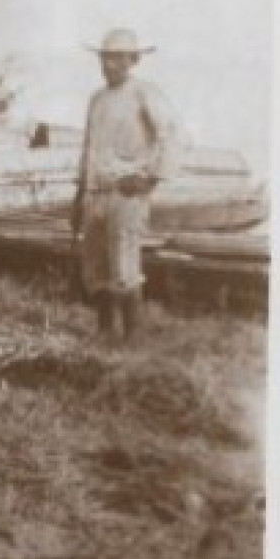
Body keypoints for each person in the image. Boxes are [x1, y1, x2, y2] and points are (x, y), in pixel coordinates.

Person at [72, 28, 179, 341]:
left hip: (127, 193)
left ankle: (133, 338)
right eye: (106, 57)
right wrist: (79, 195)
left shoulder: (144, 93)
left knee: (125, 266)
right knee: (95, 268)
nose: (110, 65)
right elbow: (88, 147)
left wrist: (149, 178)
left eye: (118, 58)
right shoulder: (97, 99)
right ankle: (106, 334)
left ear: (133, 60)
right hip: (96, 193)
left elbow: (170, 136)